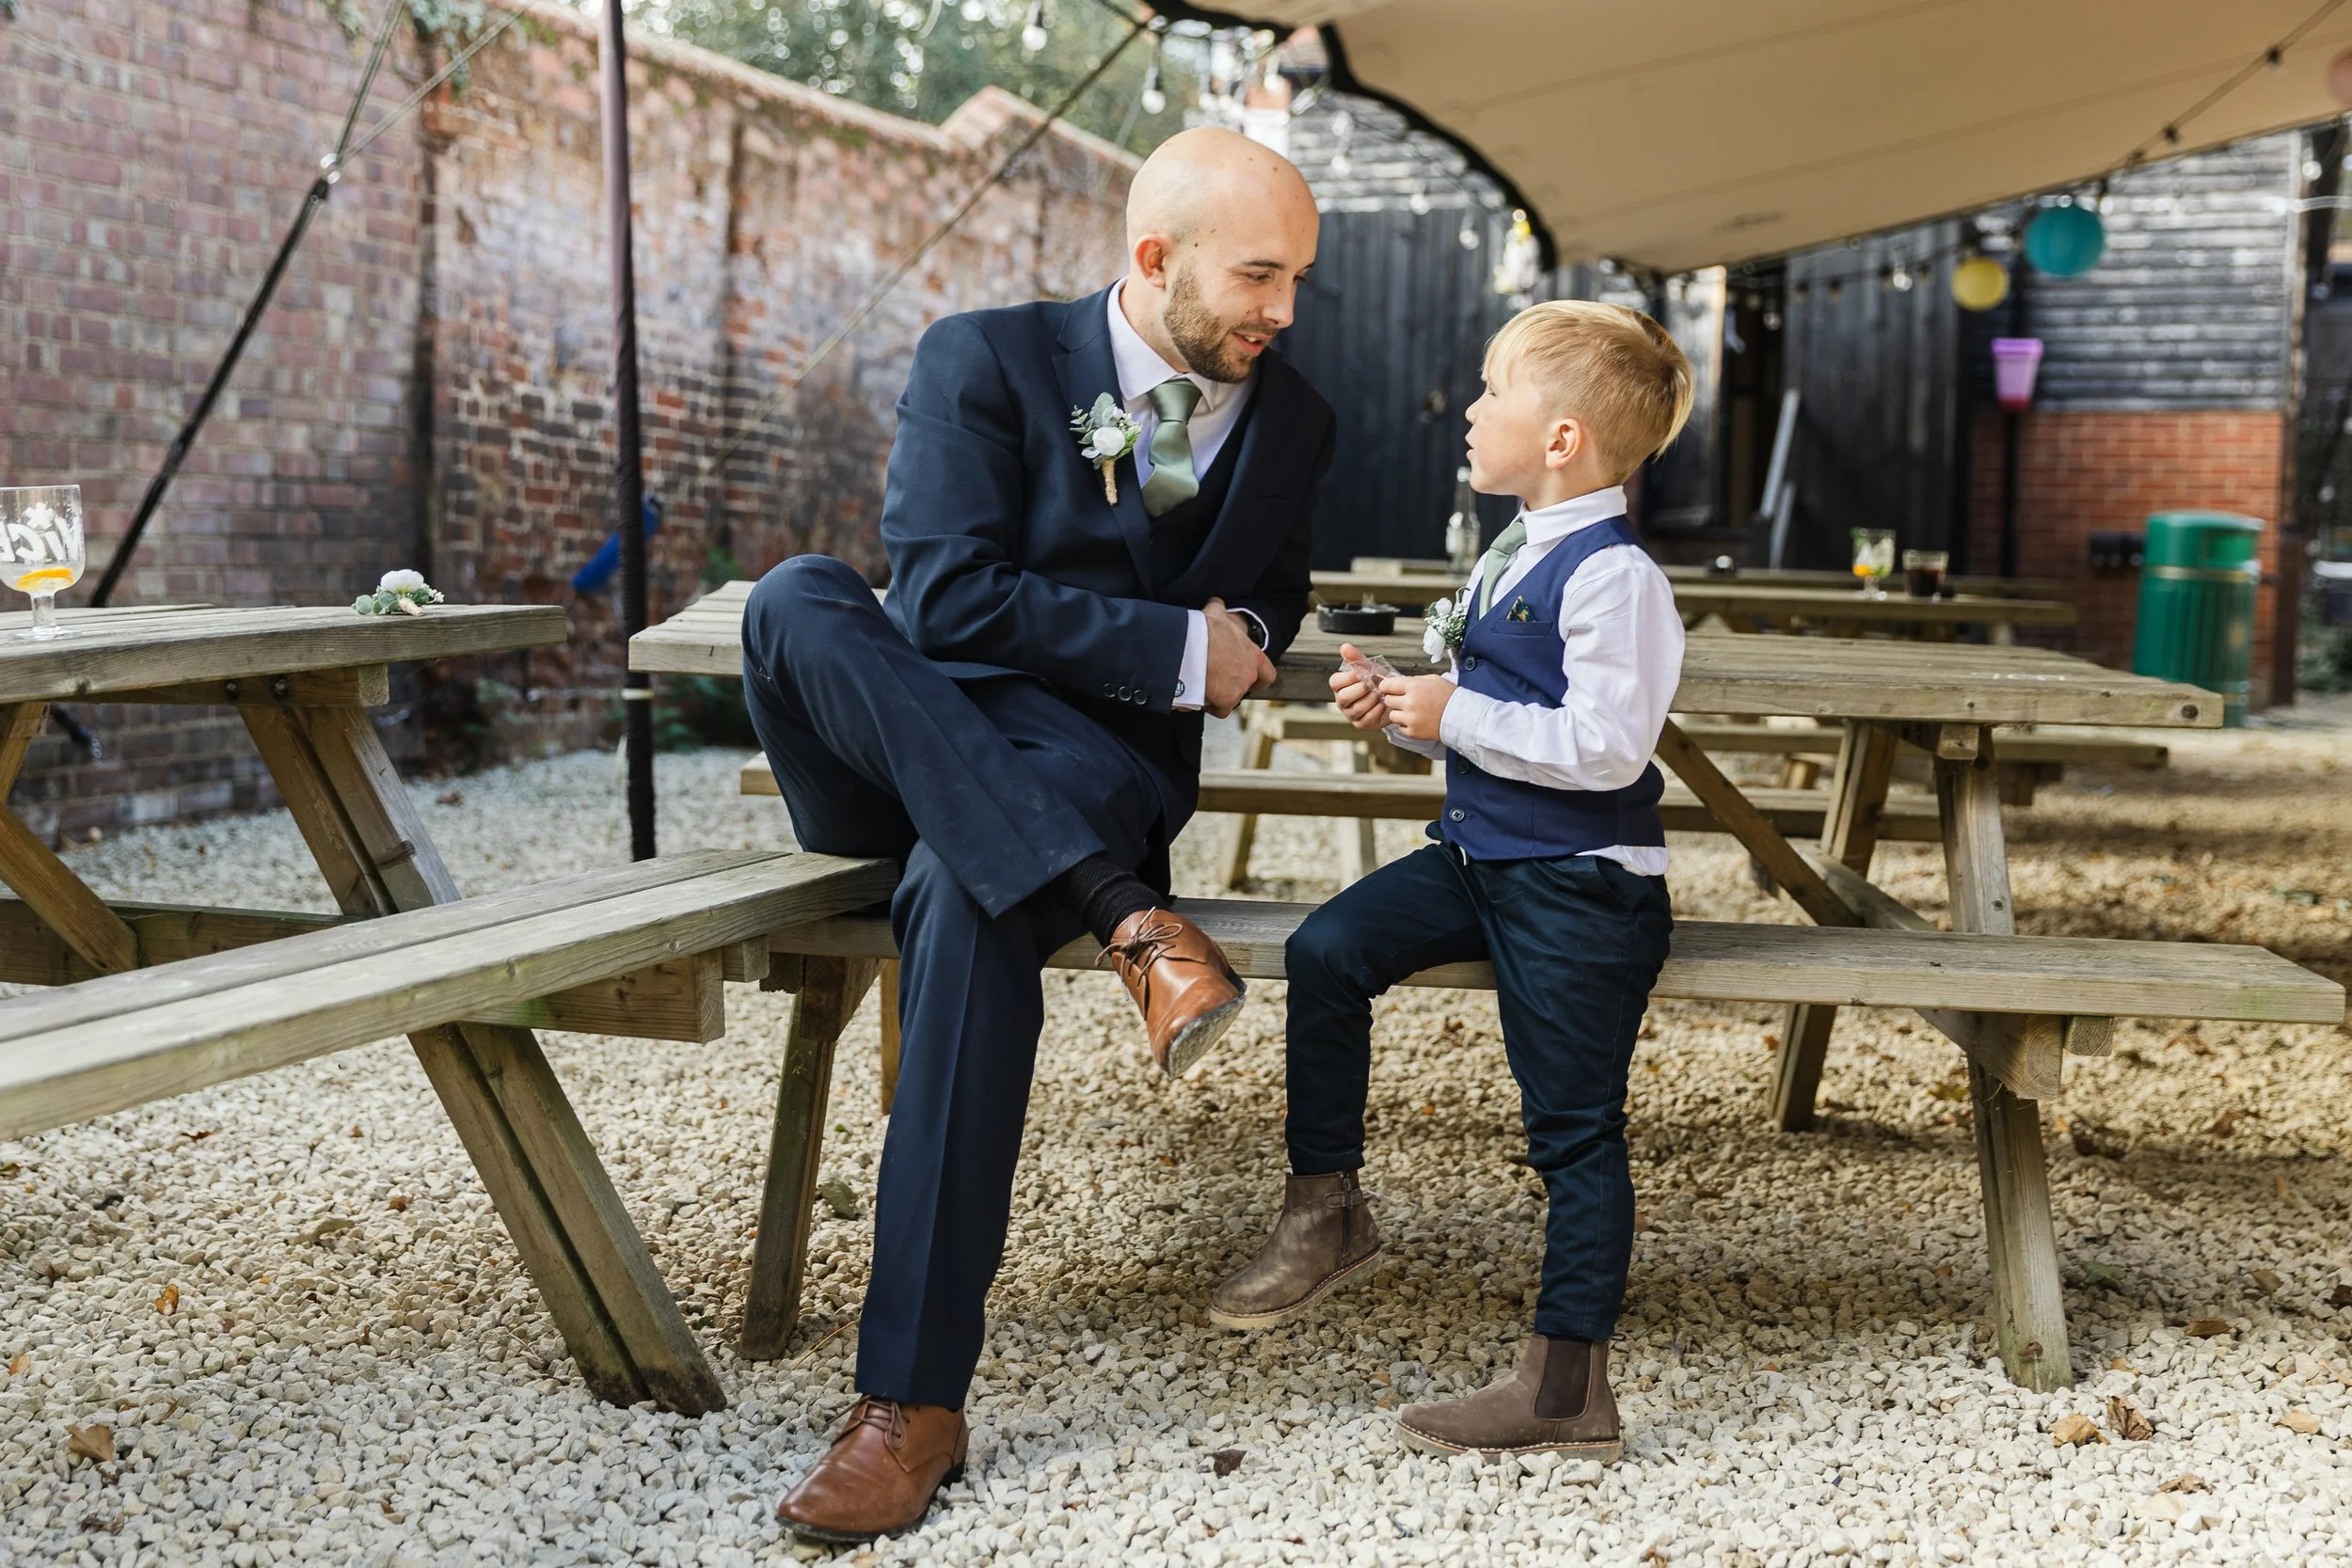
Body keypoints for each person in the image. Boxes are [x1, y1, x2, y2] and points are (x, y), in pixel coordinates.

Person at [754, 128, 1334, 1543]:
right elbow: (943, 602)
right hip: (908, 747)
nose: (1285, 308)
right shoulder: (987, 359)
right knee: (794, 597)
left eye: (1300, 277)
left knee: (966, 894)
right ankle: (1124, 914)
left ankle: (912, 1403)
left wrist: (1244, 636)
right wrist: (1173, 645)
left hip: (1090, 763)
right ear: (1156, 259)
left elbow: (1276, 590)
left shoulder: (1292, 413)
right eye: (1261, 273)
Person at [1207, 300, 1693, 1463]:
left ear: (1564, 436)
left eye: (1491, 392)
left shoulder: (1616, 577)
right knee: (1327, 949)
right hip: (1482, 858)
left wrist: (1454, 709)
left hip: (1581, 884)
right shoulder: (1514, 545)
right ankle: (1327, 1204)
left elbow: (1609, 746)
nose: (1468, 411)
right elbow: (1492, 723)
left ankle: (1567, 1386)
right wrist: (1408, 718)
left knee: (1571, 1130)